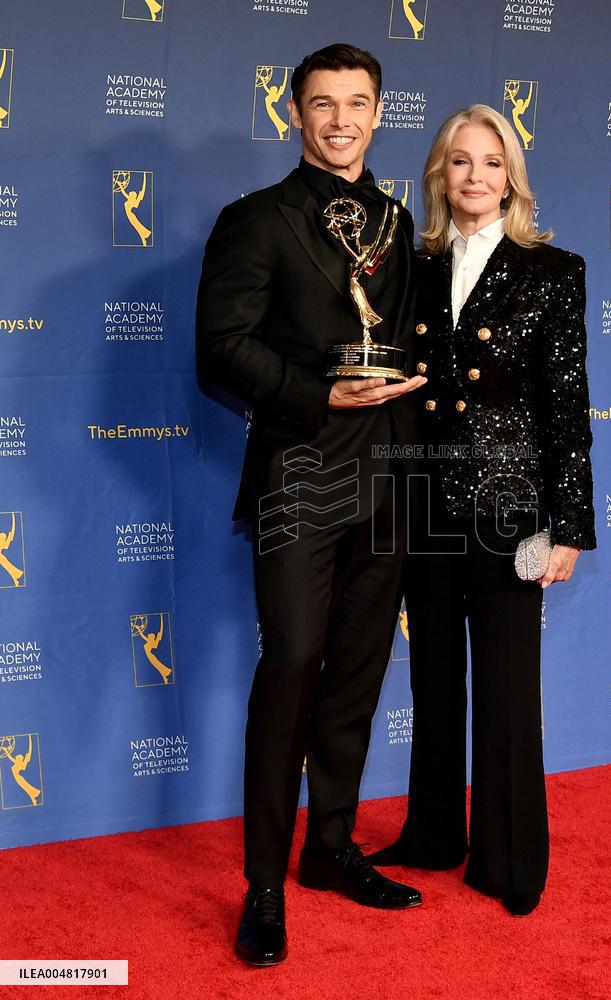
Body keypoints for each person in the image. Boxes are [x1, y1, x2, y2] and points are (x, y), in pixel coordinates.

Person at [195, 43, 427, 967]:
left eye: (357, 103)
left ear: (380, 113)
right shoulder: (254, 220)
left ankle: (329, 849)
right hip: (299, 471)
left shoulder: (400, 220)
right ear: (294, 112)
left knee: (358, 677)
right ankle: (262, 882)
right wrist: (317, 393)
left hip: (391, 478)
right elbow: (220, 349)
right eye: (322, 103)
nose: (340, 119)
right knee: (292, 663)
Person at [368, 104, 597, 916]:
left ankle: (509, 861)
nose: (474, 176)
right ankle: (432, 835)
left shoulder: (553, 270)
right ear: (439, 176)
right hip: (423, 502)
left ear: (512, 177)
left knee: (506, 686)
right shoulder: (410, 267)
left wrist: (568, 526)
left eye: (491, 162)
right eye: (459, 162)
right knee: (432, 678)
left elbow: (566, 405)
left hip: (510, 509)